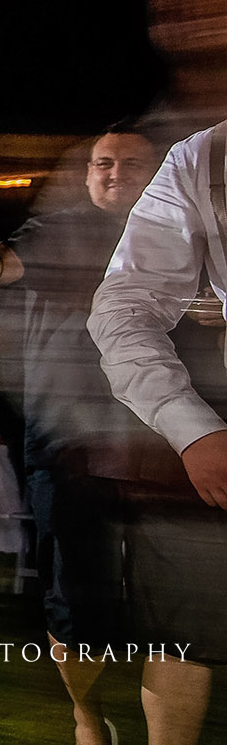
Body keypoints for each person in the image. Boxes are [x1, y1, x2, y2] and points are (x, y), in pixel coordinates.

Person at [0, 127, 173, 745]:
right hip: (68, 446)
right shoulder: (61, 232)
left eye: (131, 164)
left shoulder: (185, 236)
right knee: (74, 600)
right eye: (103, 163)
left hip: (165, 443)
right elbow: (6, 263)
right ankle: (87, 716)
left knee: (175, 605)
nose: (115, 173)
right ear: (87, 175)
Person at [87, 119, 227, 745]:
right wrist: (191, 428)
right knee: (185, 626)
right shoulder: (203, 158)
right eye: (103, 163)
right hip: (189, 438)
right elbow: (124, 305)